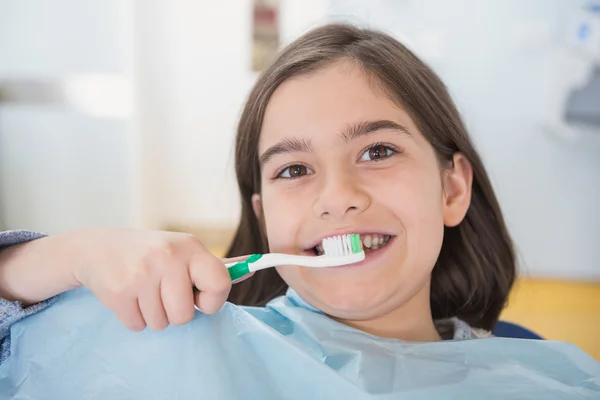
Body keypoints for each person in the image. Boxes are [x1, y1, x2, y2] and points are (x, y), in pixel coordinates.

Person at [6, 23, 596, 399]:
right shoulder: (181, 347)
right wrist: (59, 256)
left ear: (451, 190)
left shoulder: (553, 377)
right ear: (263, 215)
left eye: (378, 150)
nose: (336, 195)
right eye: (294, 169)